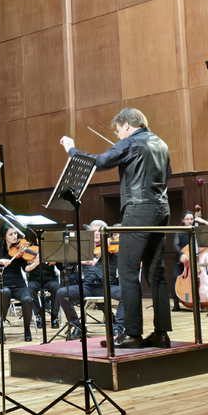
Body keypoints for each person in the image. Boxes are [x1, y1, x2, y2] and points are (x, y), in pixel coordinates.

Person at [60, 108, 172, 349]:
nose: (118, 135)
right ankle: (161, 334)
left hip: (139, 210)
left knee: (128, 271)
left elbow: (98, 162)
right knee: (156, 272)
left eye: (118, 130)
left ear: (127, 125)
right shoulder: (161, 143)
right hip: (162, 209)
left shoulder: (131, 142)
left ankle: (131, 334)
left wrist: (71, 148)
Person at [55, 220, 124, 340]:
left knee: (127, 293)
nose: (97, 233)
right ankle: (77, 326)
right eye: (94, 231)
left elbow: (124, 261)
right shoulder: (83, 249)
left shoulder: (113, 247)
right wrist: (81, 260)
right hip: (88, 286)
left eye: (100, 230)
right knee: (62, 292)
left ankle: (117, 327)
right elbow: (66, 263)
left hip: (108, 286)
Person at [0, 225, 41, 341]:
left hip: (19, 284)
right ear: (4, 236)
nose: (15, 236)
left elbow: (25, 269)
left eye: (15, 234)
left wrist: (35, 264)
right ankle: (0, 328)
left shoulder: (20, 250)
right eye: (11, 234)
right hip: (3, 284)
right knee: (5, 293)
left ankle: (27, 329)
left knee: (27, 299)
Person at [171, 211, 208, 311]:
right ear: (183, 220)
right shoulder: (180, 231)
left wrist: (203, 221)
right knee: (176, 276)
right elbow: (175, 244)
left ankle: (200, 299)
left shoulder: (197, 231)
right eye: (187, 219)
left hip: (197, 261)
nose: (190, 221)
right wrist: (181, 254)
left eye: (192, 219)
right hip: (184, 260)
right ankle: (176, 303)